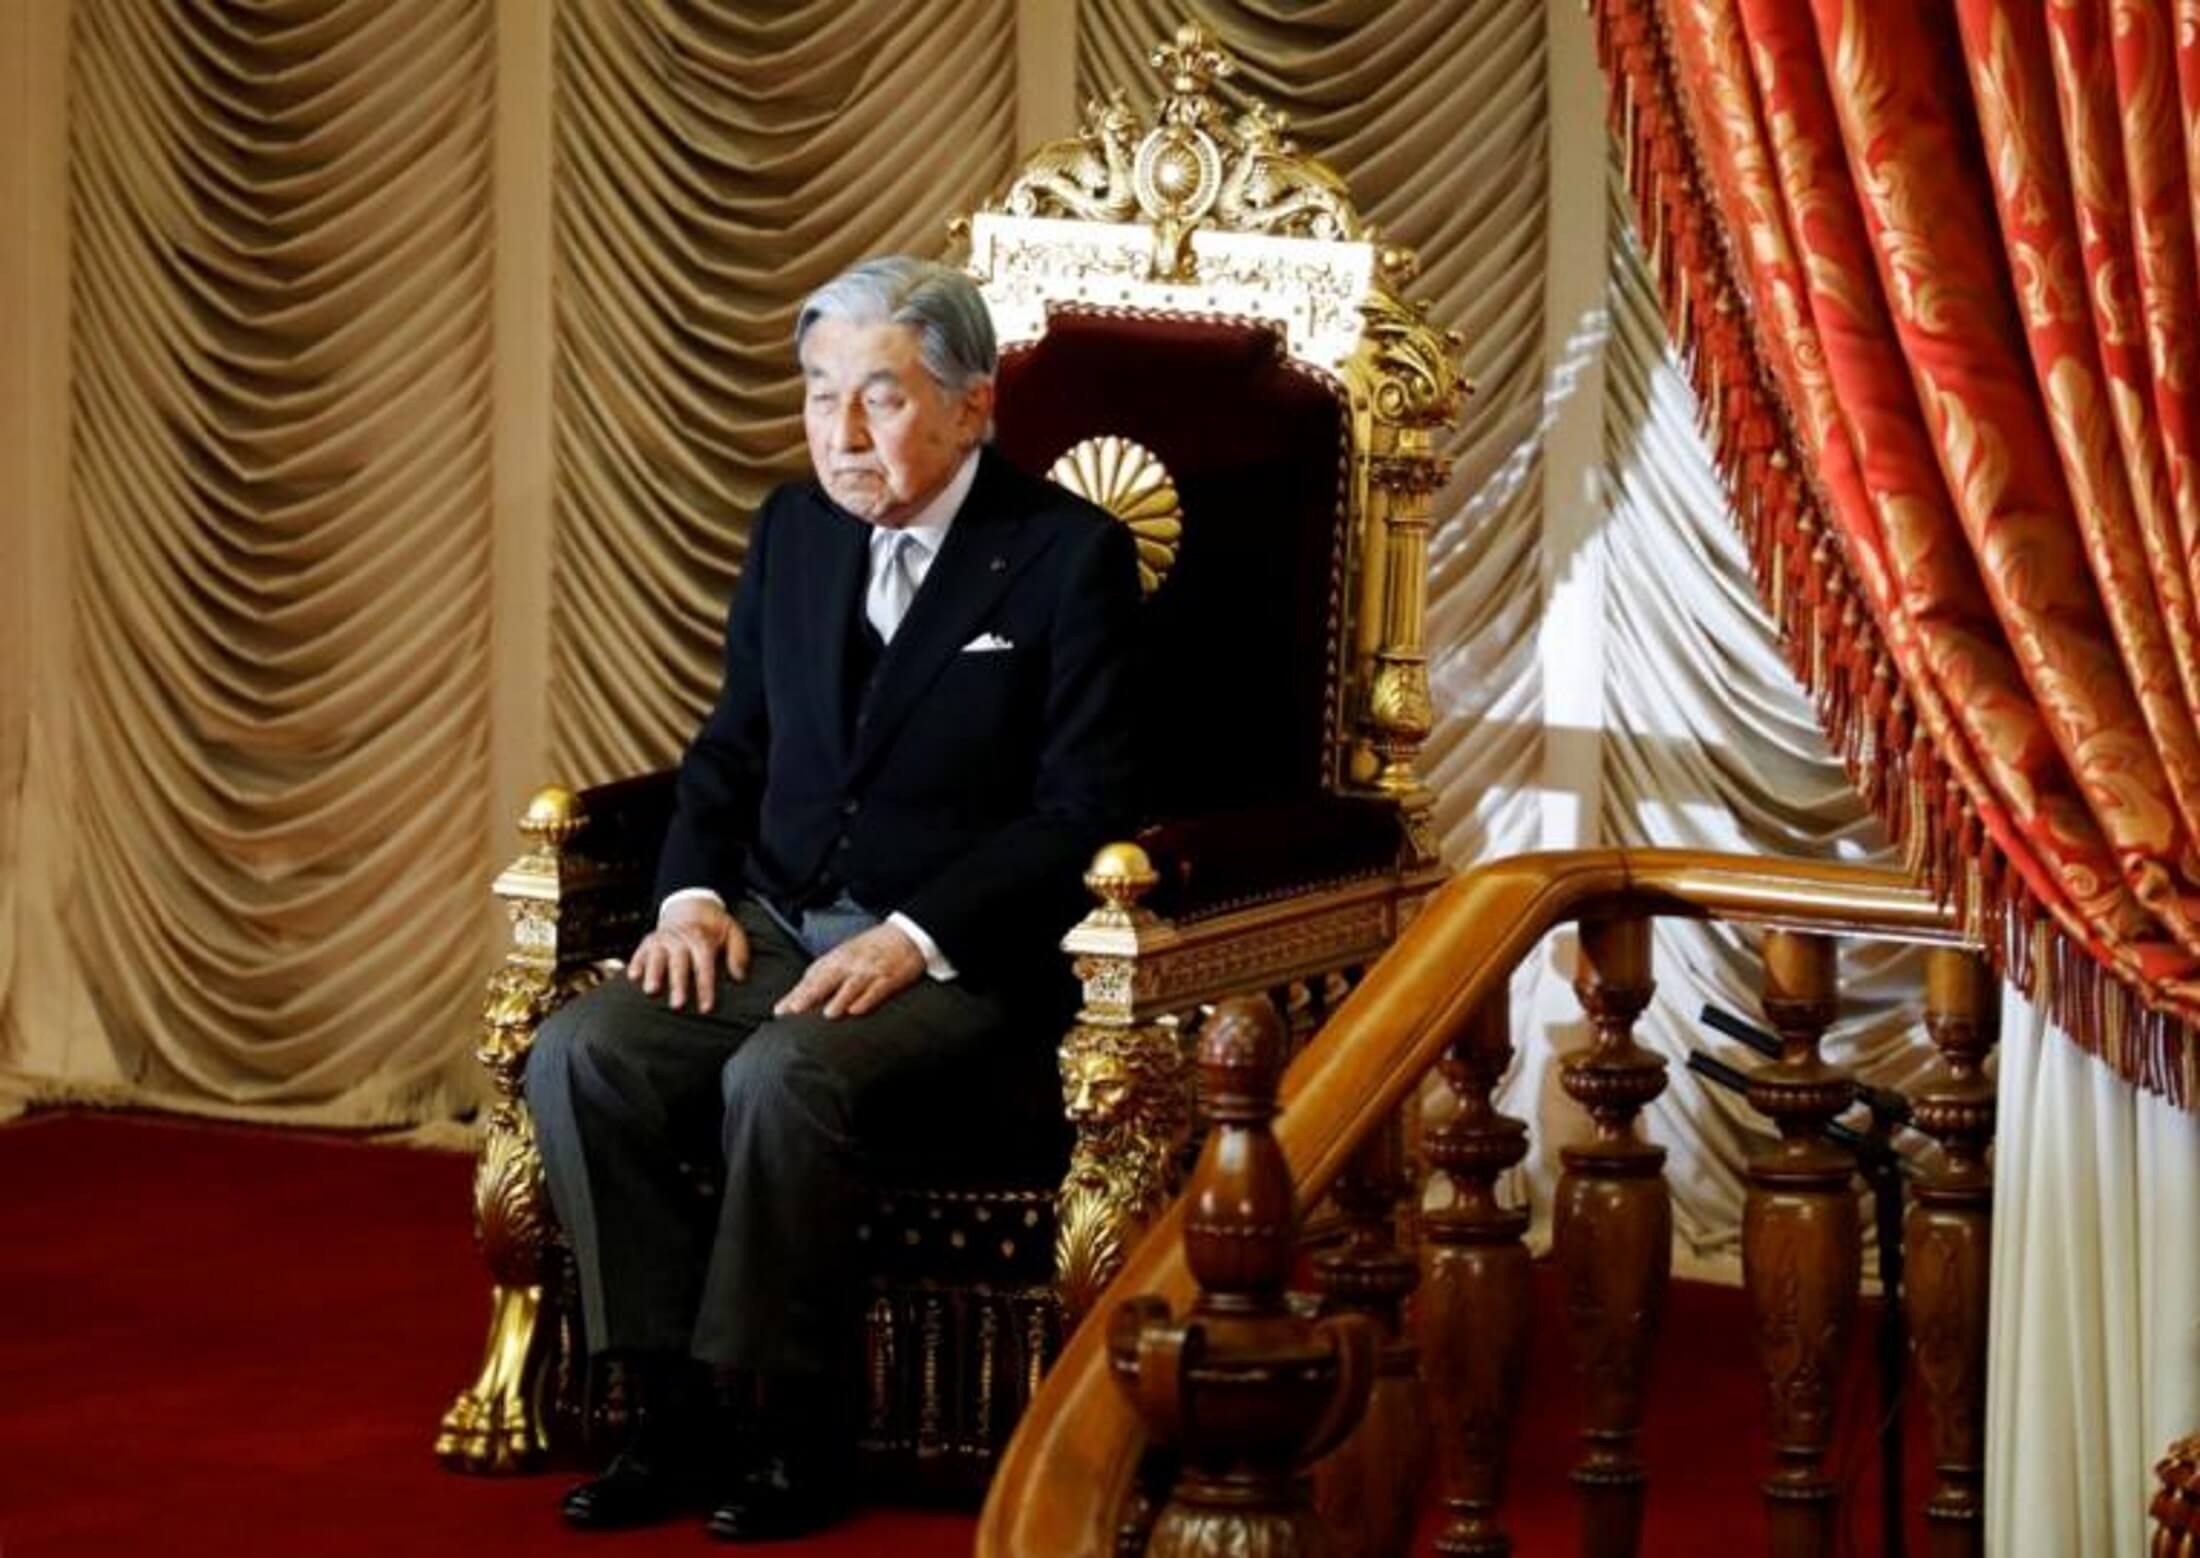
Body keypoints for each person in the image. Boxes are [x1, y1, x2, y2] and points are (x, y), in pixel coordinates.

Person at [524, 255, 1139, 1541]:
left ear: (972, 405)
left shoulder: (1066, 555)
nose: (842, 432)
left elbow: (1079, 810)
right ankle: (666, 1409)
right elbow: (730, 751)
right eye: (818, 395)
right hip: (772, 918)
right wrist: (689, 897)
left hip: (958, 958)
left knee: (781, 1075)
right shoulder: (792, 532)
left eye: (882, 397)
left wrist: (917, 937)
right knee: (585, 1053)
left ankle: (789, 1424)